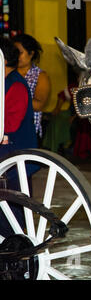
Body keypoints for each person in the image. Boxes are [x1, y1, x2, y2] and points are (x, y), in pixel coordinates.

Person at [0, 37, 38, 237]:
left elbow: (11, 124)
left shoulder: (16, 84)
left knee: (11, 218)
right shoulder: (4, 82)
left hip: (14, 160)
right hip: (6, 156)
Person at [12, 34, 51, 143]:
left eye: (20, 53)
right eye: (14, 53)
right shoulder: (8, 73)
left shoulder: (40, 75)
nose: (16, 57)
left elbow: (38, 105)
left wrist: (13, 98)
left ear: (31, 53)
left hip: (29, 131)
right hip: (9, 129)